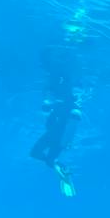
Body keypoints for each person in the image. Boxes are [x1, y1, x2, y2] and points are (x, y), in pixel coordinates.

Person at [30, 67, 81, 198]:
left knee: (39, 156)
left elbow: (51, 107)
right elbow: (49, 109)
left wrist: (50, 103)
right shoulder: (65, 103)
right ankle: (62, 168)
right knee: (41, 156)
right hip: (56, 136)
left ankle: (59, 167)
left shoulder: (66, 103)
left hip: (56, 136)